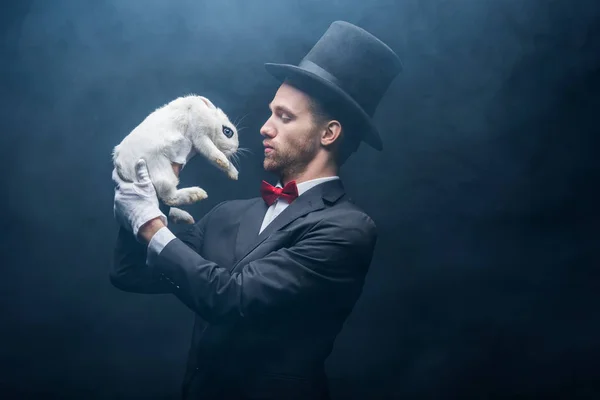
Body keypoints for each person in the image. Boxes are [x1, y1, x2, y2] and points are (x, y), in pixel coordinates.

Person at [110, 21, 402, 400]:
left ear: (328, 134)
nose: (264, 128)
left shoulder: (347, 229)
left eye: (284, 116)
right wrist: (143, 187)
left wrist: (149, 224)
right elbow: (130, 273)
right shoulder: (229, 214)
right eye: (270, 113)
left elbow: (233, 300)